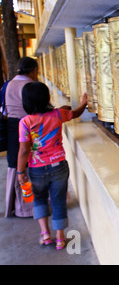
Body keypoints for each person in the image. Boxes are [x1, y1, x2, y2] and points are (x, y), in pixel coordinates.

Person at [16, 81, 87, 249]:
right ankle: (61, 239)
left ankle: (45, 234)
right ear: (47, 98)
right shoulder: (58, 114)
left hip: (36, 169)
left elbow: (24, 150)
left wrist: (20, 172)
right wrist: (84, 103)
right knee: (58, 201)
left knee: (39, 199)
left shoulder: (25, 123)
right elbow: (76, 113)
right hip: (59, 166)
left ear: (26, 102)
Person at [4, 57, 39, 218]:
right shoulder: (29, 86)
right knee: (28, 165)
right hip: (28, 128)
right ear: (33, 70)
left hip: (11, 128)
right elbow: (37, 109)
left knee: (16, 166)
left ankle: (18, 206)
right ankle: (29, 208)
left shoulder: (8, 84)